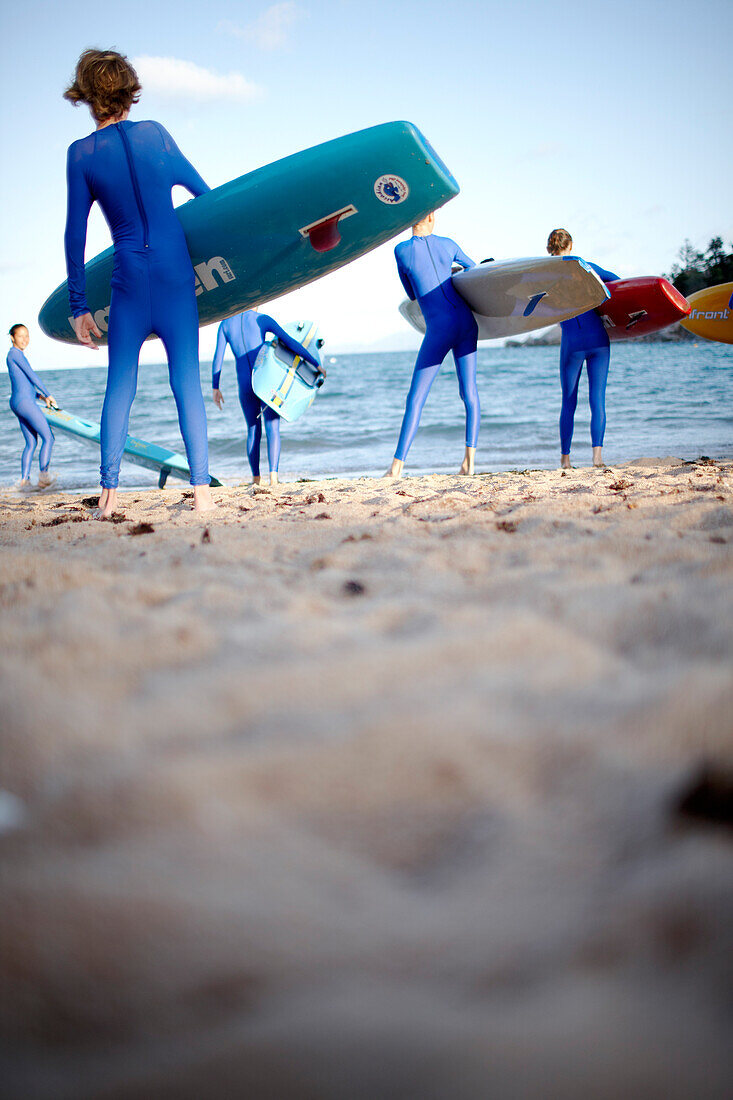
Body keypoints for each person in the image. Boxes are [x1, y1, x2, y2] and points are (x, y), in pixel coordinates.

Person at [63, 49, 214, 517]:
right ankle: (203, 493)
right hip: (174, 276)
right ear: (130, 90)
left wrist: (78, 304)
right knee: (185, 380)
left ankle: (108, 498)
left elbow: (75, 232)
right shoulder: (156, 136)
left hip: (128, 281)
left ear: (88, 97)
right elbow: (205, 196)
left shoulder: (81, 154)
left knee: (120, 385)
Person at [387, 211, 480, 478]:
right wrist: (448, 273)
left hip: (439, 329)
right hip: (466, 322)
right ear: (429, 216)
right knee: (469, 393)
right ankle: (469, 463)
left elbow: (412, 294)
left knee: (416, 398)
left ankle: (396, 468)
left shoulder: (401, 250)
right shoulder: (449, 244)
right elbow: (474, 270)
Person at [212, 309, 320, 485]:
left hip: (245, 385)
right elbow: (290, 342)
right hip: (265, 381)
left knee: (253, 429)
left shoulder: (225, 324)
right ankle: (274, 478)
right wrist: (314, 363)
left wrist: (215, 386)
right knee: (273, 426)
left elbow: (218, 357)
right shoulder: (261, 319)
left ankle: (255, 479)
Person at [546, 228, 619, 468]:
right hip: (598, 340)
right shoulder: (587, 266)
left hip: (572, 344)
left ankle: (565, 460)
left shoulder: (544, 275)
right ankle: (597, 458)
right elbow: (617, 282)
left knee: (569, 401)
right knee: (597, 400)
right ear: (571, 245)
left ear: (549, 248)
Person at [6, 324, 58, 490]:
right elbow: (32, 377)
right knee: (49, 438)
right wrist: (48, 394)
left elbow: (23, 384)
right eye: (21, 336)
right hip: (25, 403)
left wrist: (40, 397)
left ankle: (24, 482)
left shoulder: (13, 356)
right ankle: (43, 478)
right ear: (12, 337)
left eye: (27, 336)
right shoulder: (16, 354)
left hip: (19, 401)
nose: (25, 339)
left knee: (31, 443)